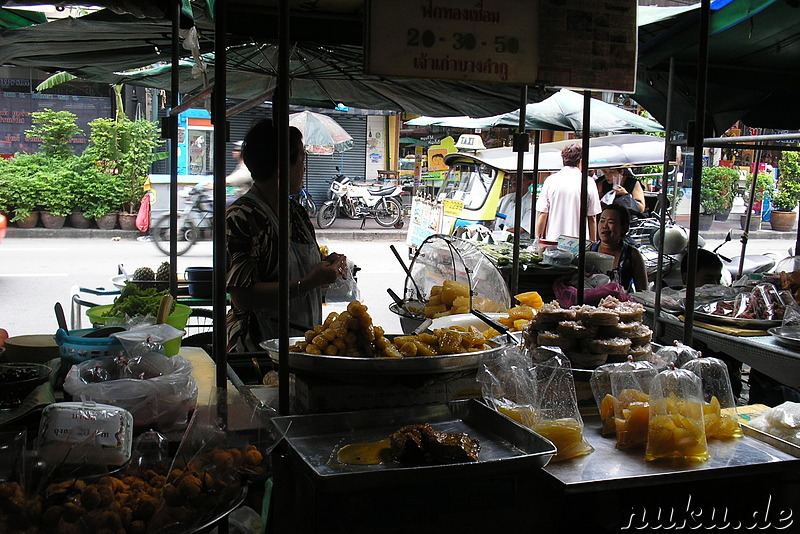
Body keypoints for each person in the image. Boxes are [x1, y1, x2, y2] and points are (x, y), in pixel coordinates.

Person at [225, 120, 347, 353]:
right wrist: (309, 282)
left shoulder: (296, 212)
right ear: (281, 166)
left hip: (300, 342)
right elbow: (242, 296)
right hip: (257, 348)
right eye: (301, 159)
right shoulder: (243, 216)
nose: (304, 167)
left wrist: (325, 269)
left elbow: (303, 269)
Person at [536, 142, 601, 242]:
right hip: (579, 244)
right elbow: (592, 217)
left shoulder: (551, 180)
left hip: (554, 241)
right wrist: (593, 242)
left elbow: (543, 213)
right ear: (581, 161)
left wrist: (537, 240)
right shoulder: (588, 182)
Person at [588, 204, 648, 292]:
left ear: (623, 228)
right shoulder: (588, 250)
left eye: (611, 222)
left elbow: (643, 291)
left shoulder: (632, 254)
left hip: (621, 304)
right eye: (602, 221)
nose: (604, 226)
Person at [226, 140, 253, 207]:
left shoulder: (246, 167)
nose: (233, 152)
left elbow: (231, 181)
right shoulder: (240, 165)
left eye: (237, 150)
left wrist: (214, 184)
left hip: (243, 200)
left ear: (243, 152)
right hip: (239, 197)